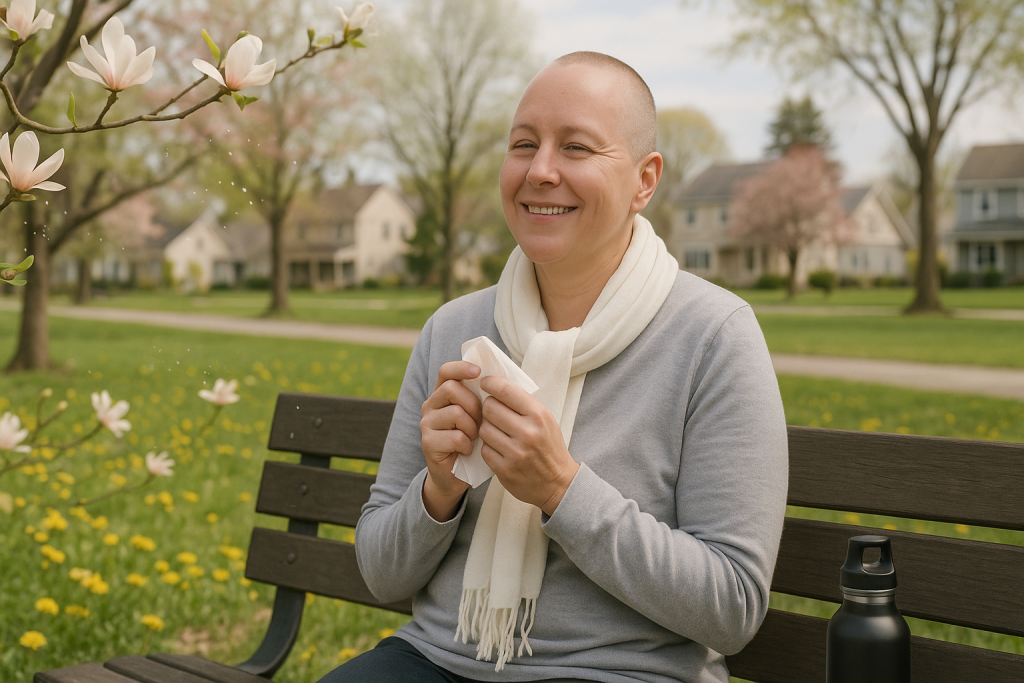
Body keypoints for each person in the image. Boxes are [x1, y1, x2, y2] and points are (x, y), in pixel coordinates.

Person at [319, 52, 788, 683]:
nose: (540, 171)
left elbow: (731, 606)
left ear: (644, 181)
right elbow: (381, 573)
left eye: (576, 148)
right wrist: (439, 489)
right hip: (437, 661)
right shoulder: (452, 331)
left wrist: (562, 490)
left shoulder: (714, 336)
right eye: (523, 144)